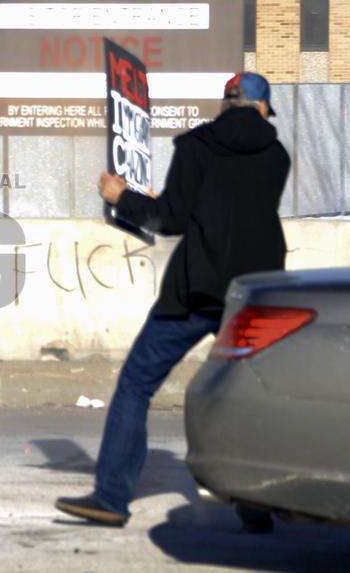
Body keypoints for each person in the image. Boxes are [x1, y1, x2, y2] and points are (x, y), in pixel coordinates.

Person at [55, 72, 291, 531]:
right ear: (262, 108)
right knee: (251, 395)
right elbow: (235, 213)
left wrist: (123, 198)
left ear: (226, 103)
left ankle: (111, 498)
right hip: (253, 294)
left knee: (136, 386)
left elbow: (172, 220)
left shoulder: (195, 146)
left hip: (195, 291)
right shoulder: (276, 155)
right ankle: (256, 505)